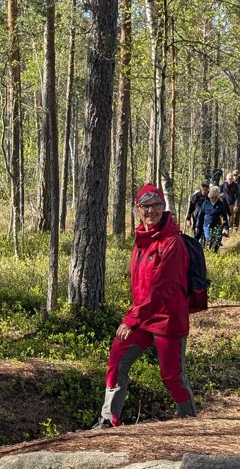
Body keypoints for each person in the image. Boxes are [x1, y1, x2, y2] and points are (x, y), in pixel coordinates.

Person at [92, 184, 196, 429]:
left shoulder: (172, 243)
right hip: (143, 317)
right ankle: (108, 419)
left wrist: (132, 319)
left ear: (163, 206)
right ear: (137, 209)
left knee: (171, 376)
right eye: (145, 206)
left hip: (168, 319)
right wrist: (136, 316)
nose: (151, 211)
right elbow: (141, 285)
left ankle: (190, 423)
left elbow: (161, 288)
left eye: (156, 205)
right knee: (117, 359)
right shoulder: (141, 239)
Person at [200, 185, 229, 253]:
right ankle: (208, 252)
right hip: (207, 225)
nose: (214, 199)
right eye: (212, 197)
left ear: (218, 197)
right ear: (210, 196)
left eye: (216, 197)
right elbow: (201, 215)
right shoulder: (205, 203)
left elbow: (224, 216)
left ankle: (215, 252)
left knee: (217, 240)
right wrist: (198, 226)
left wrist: (226, 227)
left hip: (217, 225)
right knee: (208, 239)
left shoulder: (220, 204)